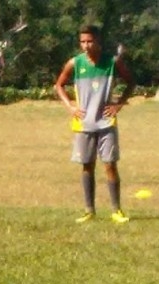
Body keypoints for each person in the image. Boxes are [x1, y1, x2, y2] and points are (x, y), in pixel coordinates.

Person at [54, 25, 135, 223]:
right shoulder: (75, 63)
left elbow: (131, 82)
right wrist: (71, 107)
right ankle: (89, 210)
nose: (86, 45)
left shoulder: (112, 62)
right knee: (87, 166)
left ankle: (117, 210)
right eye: (83, 42)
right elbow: (58, 85)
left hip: (106, 123)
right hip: (84, 124)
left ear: (98, 41)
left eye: (90, 41)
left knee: (110, 165)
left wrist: (119, 104)